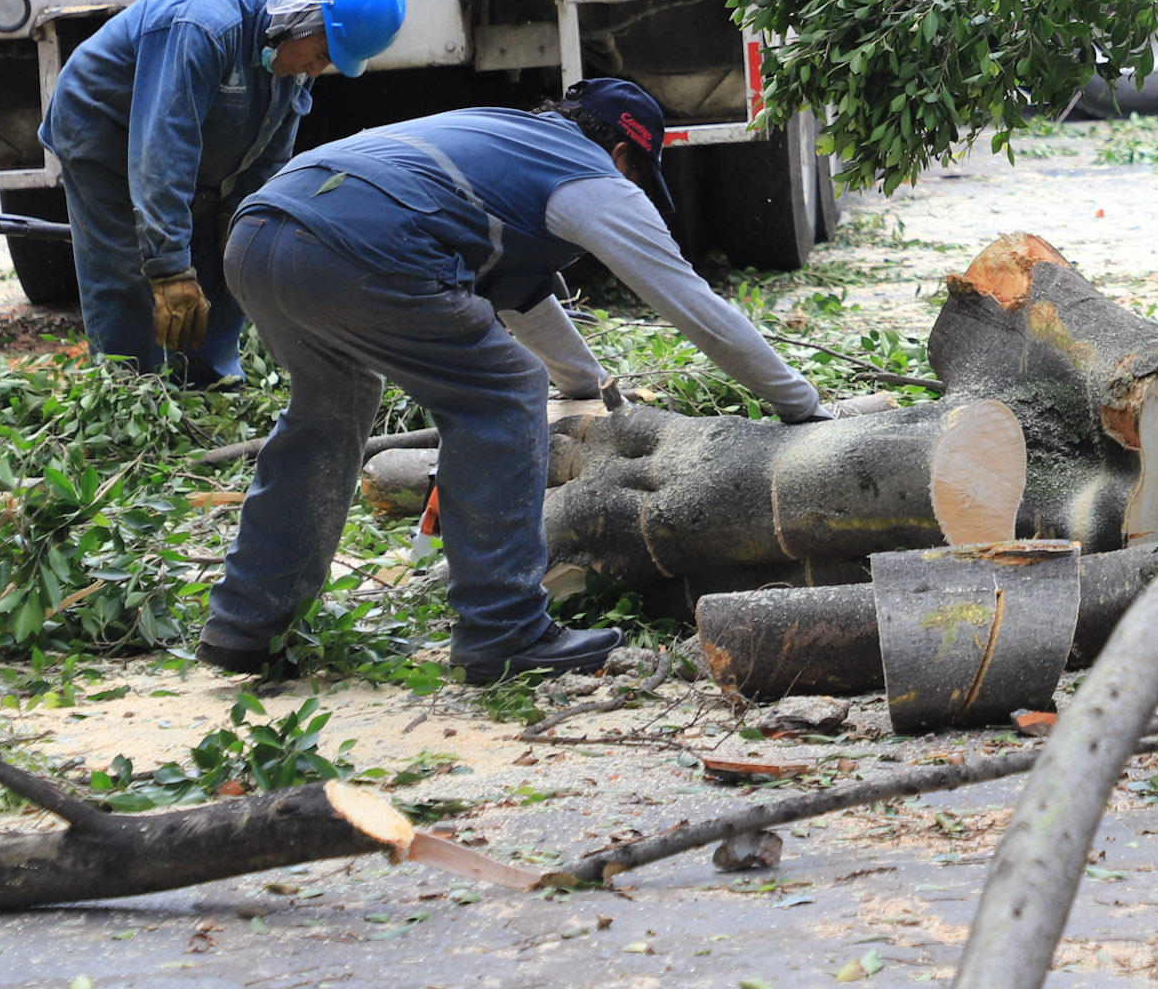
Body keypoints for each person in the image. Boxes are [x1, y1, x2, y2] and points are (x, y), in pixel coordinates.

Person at [199, 80, 822, 684]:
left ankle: (247, 623)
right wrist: (801, 405)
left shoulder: (505, 147)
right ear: (623, 153)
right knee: (500, 394)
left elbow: (524, 304)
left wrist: (590, 384)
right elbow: (693, 307)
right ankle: (504, 631)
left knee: (329, 411)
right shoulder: (592, 179)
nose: (632, 186)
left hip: (261, 232)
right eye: (637, 174)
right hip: (356, 242)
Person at [37, 0, 408, 384]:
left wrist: (241, 225)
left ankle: (208, 384)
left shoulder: (294, 40)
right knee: (127, 269)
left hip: (176, 135)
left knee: (229, 263)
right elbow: (162, 151)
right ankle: (130, 391)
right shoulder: (207, 29)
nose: (315, 71)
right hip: (104, 128)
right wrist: (169, 268)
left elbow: (270, 151)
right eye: (321, 56)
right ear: (303, 20)